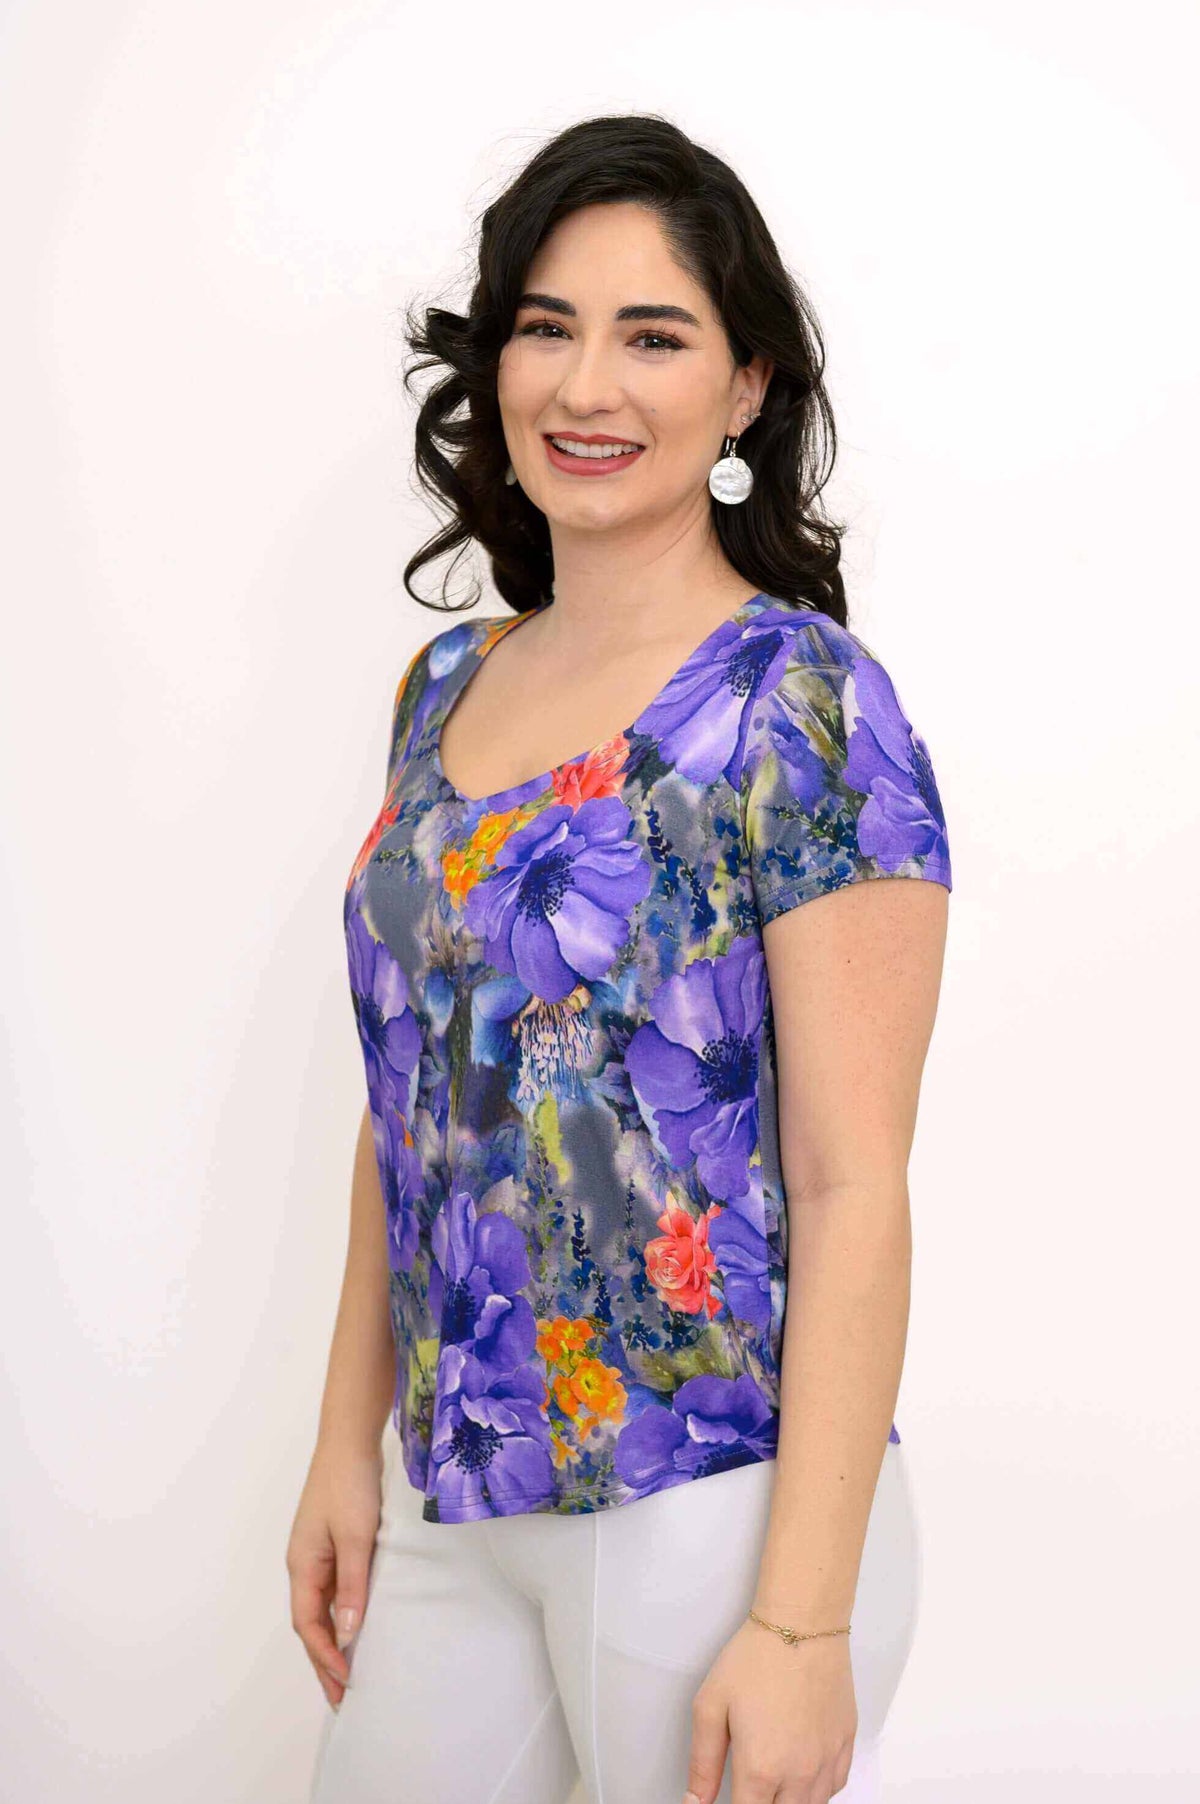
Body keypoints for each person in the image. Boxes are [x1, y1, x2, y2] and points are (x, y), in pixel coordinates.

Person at [288, 112, 952, 1804]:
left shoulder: (796, 705)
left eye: (653, 336)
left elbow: (852, 1174)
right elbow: (413, 1104)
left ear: (744, 391)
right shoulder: (443, 694)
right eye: (545, 325)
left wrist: (801, 1630)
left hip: (711, 1501)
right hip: (463, 1489)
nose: (588, 385)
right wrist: (344, 1447)